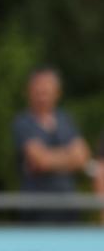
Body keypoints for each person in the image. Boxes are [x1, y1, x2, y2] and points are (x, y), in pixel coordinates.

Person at [11, 67, 90, 222]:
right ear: (28, 92)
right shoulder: (23, 122)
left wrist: (49, 157)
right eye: (38, 92)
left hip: (68, 209)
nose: (42, 97)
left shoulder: (66, 120)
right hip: (36, 211)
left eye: (46, 92)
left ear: (57, 93)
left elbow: (83, 157)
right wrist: (69, 156)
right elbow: (41, 160)